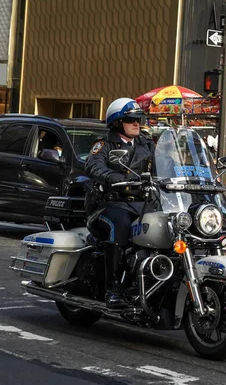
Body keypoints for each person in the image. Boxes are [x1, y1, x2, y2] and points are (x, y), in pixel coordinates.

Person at [84, 98, 155, 309]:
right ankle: (112, 290)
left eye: (138, 119)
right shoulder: (105, 145)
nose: (136, 123)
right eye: (130, 119)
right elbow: (93, 166)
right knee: (120, 225)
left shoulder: (147, 143)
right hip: (110, 204)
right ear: (116, 123)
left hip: (143, 204)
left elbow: (165, 164)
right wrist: (111, 177)